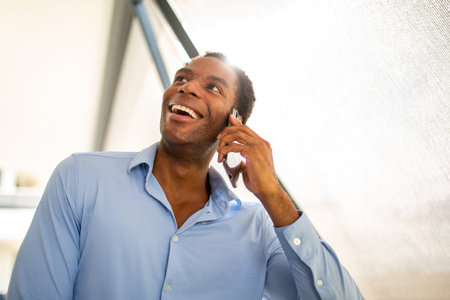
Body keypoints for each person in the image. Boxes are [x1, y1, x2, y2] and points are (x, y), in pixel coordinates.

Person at [7, 52, 362, 299]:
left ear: (234, 123)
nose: (187, 87)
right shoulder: (80, 178)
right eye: (182, 77)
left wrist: (275, 197)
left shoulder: (260, 231)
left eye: (213, 88)